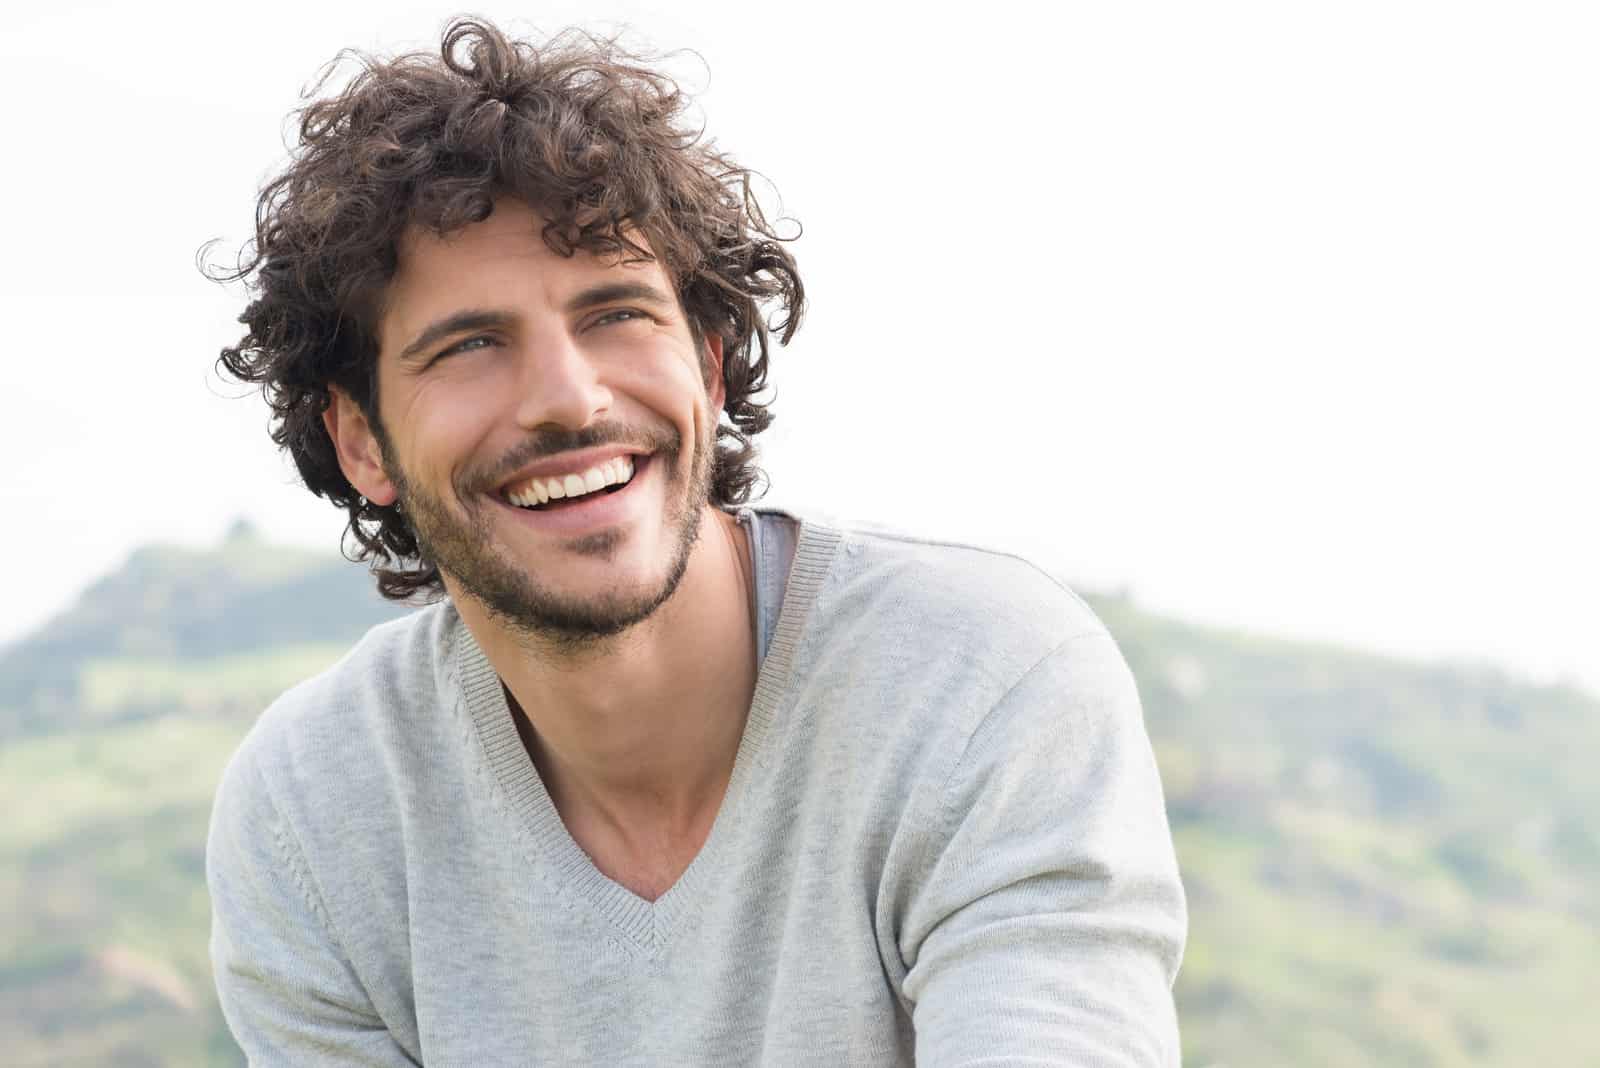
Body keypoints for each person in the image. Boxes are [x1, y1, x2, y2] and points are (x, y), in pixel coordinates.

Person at [205, 16, 1187, 1066]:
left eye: (615, 314)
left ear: (709, 370)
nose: (568, 402)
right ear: (360, 441)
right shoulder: (314, 813)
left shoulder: (979, 683)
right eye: (472, 345)